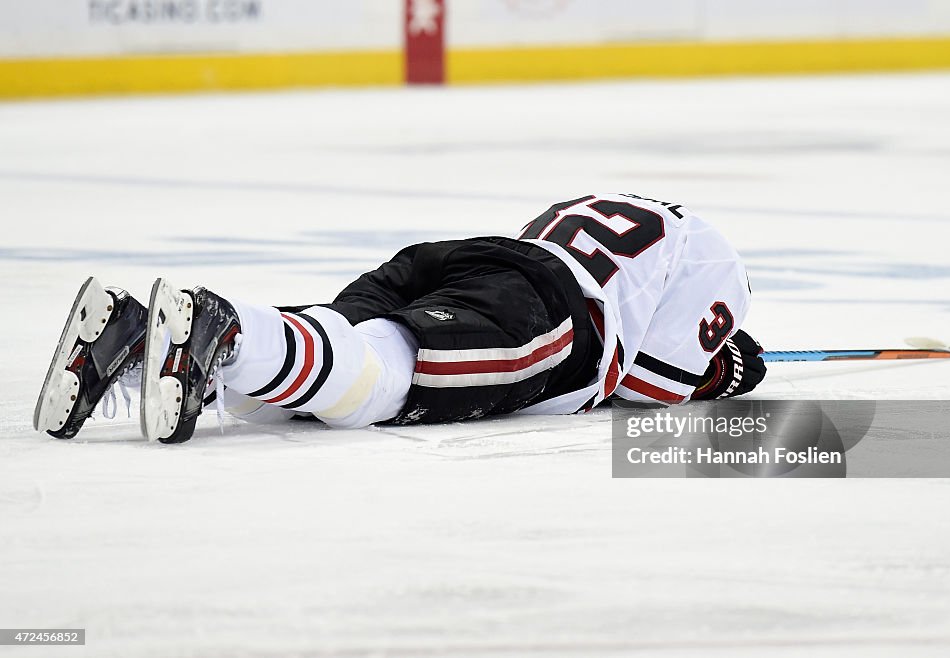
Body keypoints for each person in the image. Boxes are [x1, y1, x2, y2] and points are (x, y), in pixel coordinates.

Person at [34, 193, 767, 444]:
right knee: (377, 385)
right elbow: (650, 386)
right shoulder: (722, 265)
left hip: (460, 259)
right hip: (547, 312)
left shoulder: (644, 215)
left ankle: (135, 339)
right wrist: (729, 368)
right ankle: (224, 327)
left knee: (323, 378)